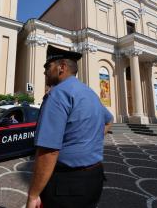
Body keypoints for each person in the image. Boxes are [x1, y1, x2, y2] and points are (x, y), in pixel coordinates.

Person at [26, 45, 113, 208]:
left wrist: (33, 195)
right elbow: (109, 120)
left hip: (67, 184)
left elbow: (49, 151)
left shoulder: (57, 94)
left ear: (62, 67)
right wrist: (89, 141)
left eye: (48, 66)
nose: (44, 71)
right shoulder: (89, 93)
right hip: (95, 178)